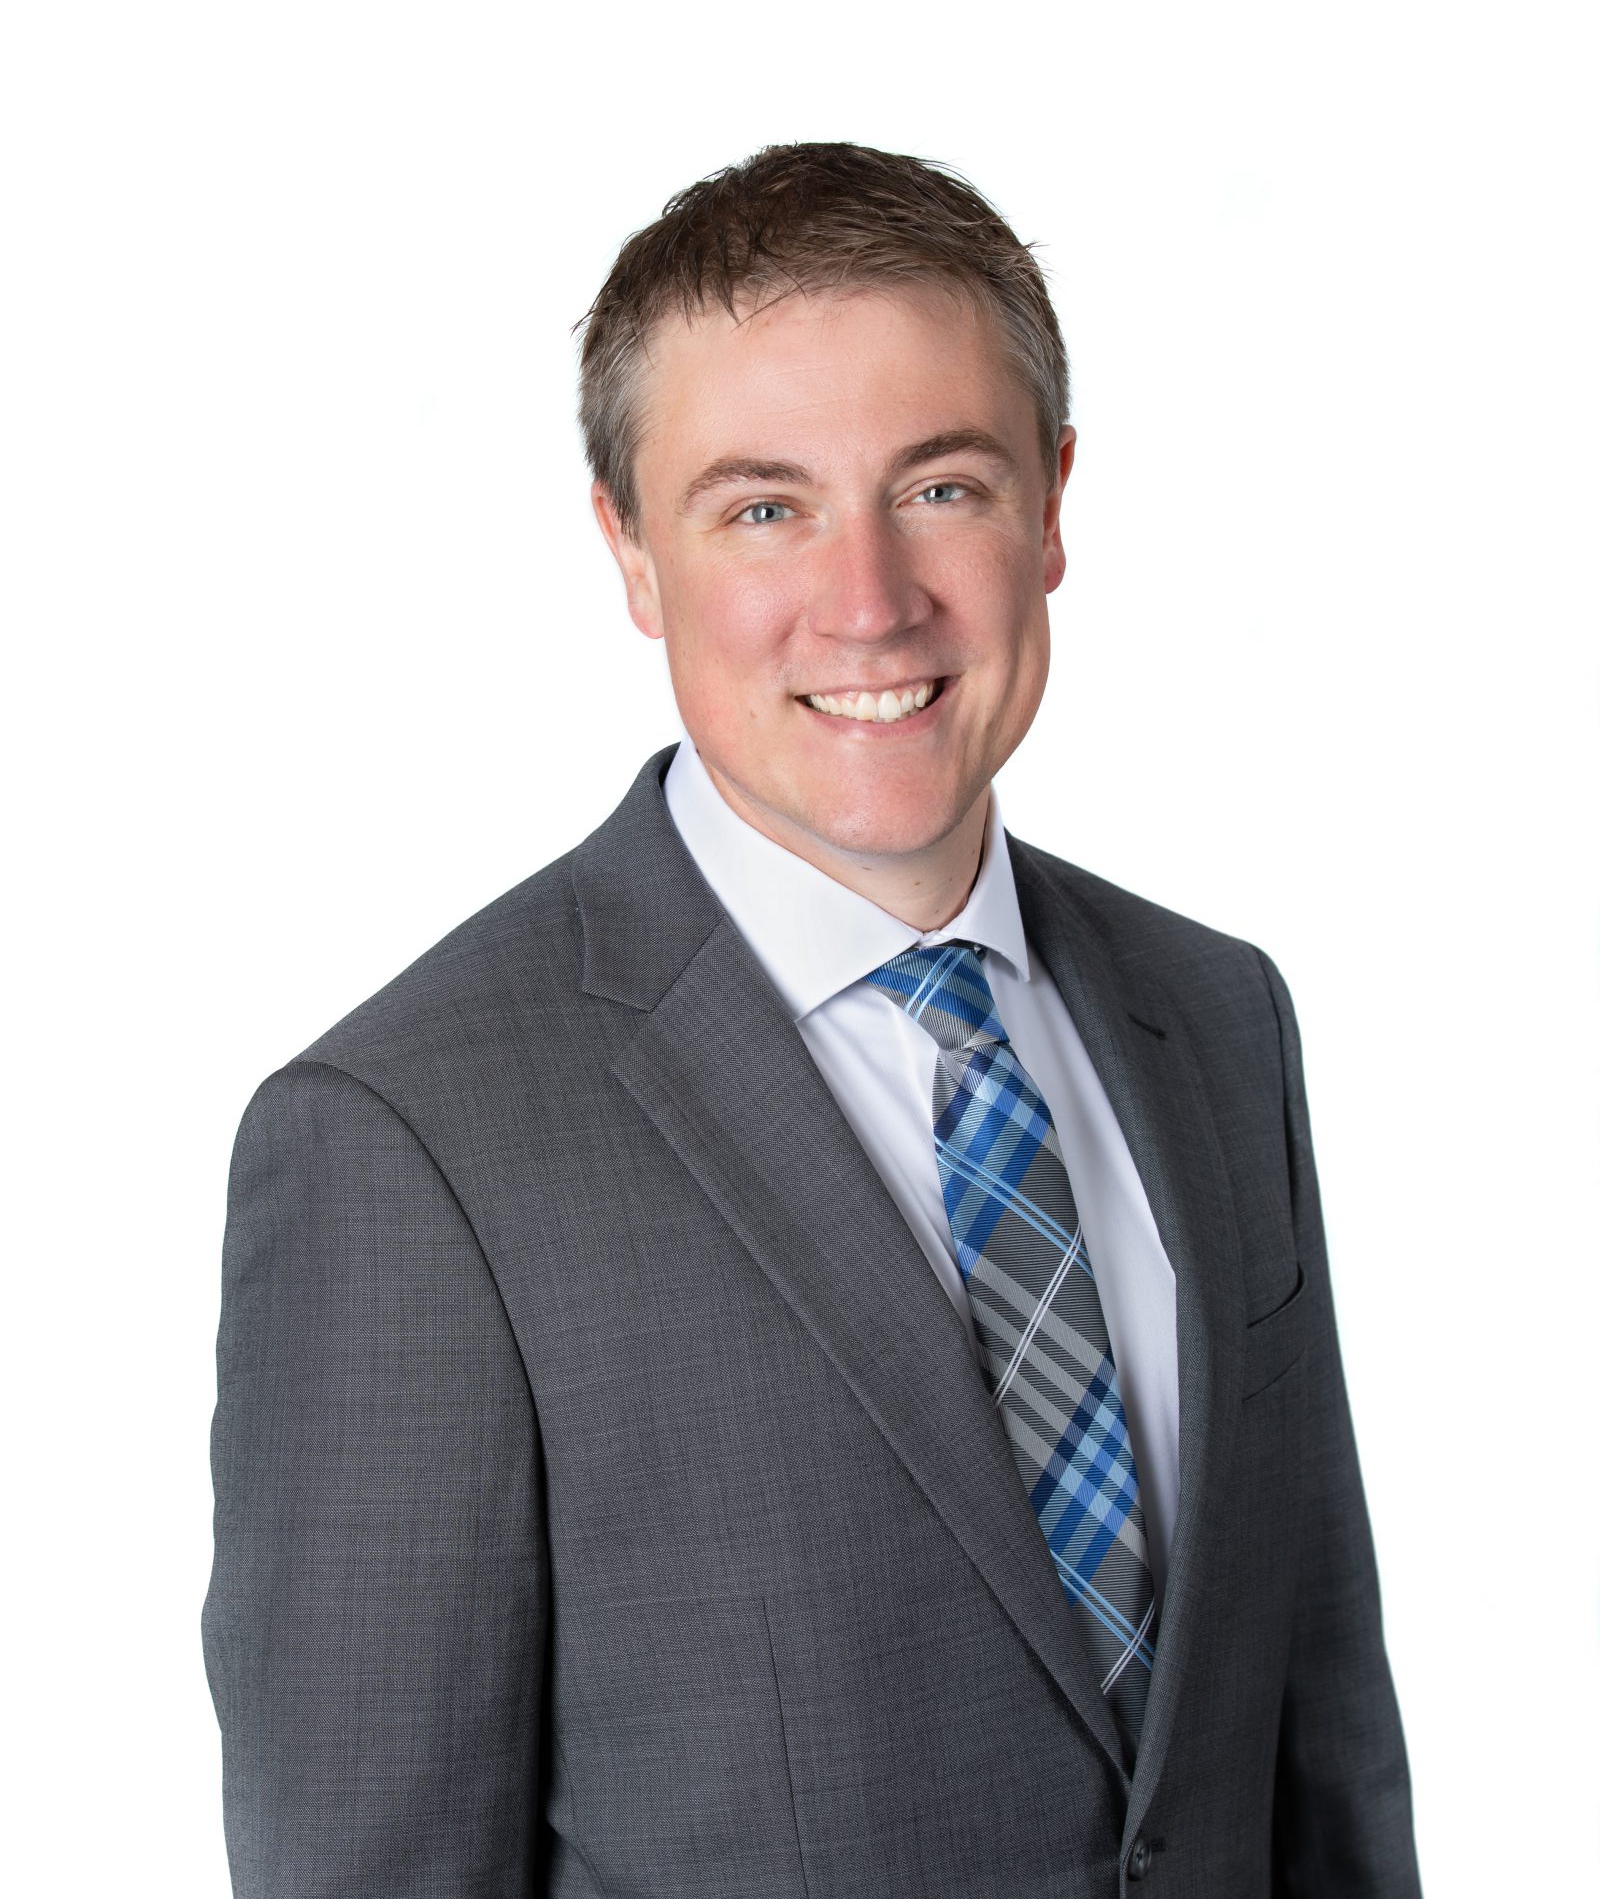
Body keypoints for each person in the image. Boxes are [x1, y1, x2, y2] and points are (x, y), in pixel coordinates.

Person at [203, 141, 1422, 1897]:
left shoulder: (1216, 1025)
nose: (870, 600)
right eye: (762, 506)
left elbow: (1326, 1772)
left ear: (1055, 500)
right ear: (630, 551)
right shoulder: (407, 1148)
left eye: (940, 487)